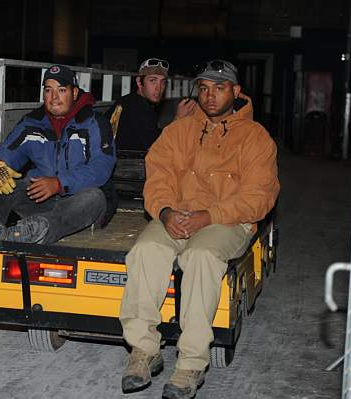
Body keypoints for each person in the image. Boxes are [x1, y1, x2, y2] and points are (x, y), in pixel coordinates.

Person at [119, 60, 280, 399]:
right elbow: (158, 175)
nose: (209, 96)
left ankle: (191, 363)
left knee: (201, 256)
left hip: (226, 220)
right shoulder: (179, 131)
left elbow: (259, 197)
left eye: (219, 88)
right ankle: (144, 350)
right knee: (146, 250)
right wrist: (163, 212)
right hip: (177, 215)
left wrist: (208, 216)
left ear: (235, 92)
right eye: (203, 88)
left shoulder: (256, 138)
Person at [0, 65, 116, 244]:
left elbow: (102, 167)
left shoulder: (93, 122)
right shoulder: (33, 123)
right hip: (44, 199)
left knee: (94, 197)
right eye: (48, 90)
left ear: (74, 93)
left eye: (62, 90)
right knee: (4, 181)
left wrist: (59, 184)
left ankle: (41, 230)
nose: (54, 97)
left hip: (80, 200)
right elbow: (7, 150)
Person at [105, 58, 196, 151]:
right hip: (125, 163)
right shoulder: (138, 107)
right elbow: (157, 147)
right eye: (153, 80)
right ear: (139, 82)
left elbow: (152, 135)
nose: (159, 88)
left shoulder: (127, 100)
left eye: (163, 82)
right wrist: (178, 120)